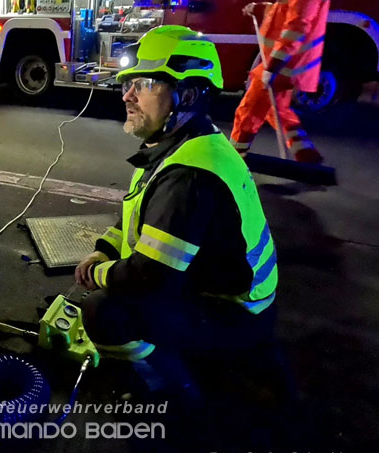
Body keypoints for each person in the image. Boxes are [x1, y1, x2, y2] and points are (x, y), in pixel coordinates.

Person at [74, 25, 278, 394]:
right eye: (128, 84)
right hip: (228, 294)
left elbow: (150, 278)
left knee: (102, 311)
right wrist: (103, 250)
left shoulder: (189, 174)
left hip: (234, 316)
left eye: (147, 84)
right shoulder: (178, 145)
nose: (128, 96)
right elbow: (136, 219)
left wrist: (99, 275)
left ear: (186, 95)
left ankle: (173, 391)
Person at [230, 0, 330, 164]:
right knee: (277, 110)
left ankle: (233, 158)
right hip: (281, 61)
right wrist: (260, 9)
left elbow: (296, 29)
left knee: (249, 111)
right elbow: (283, 10)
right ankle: (306, 155)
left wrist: (273, 67)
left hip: (285, 64)